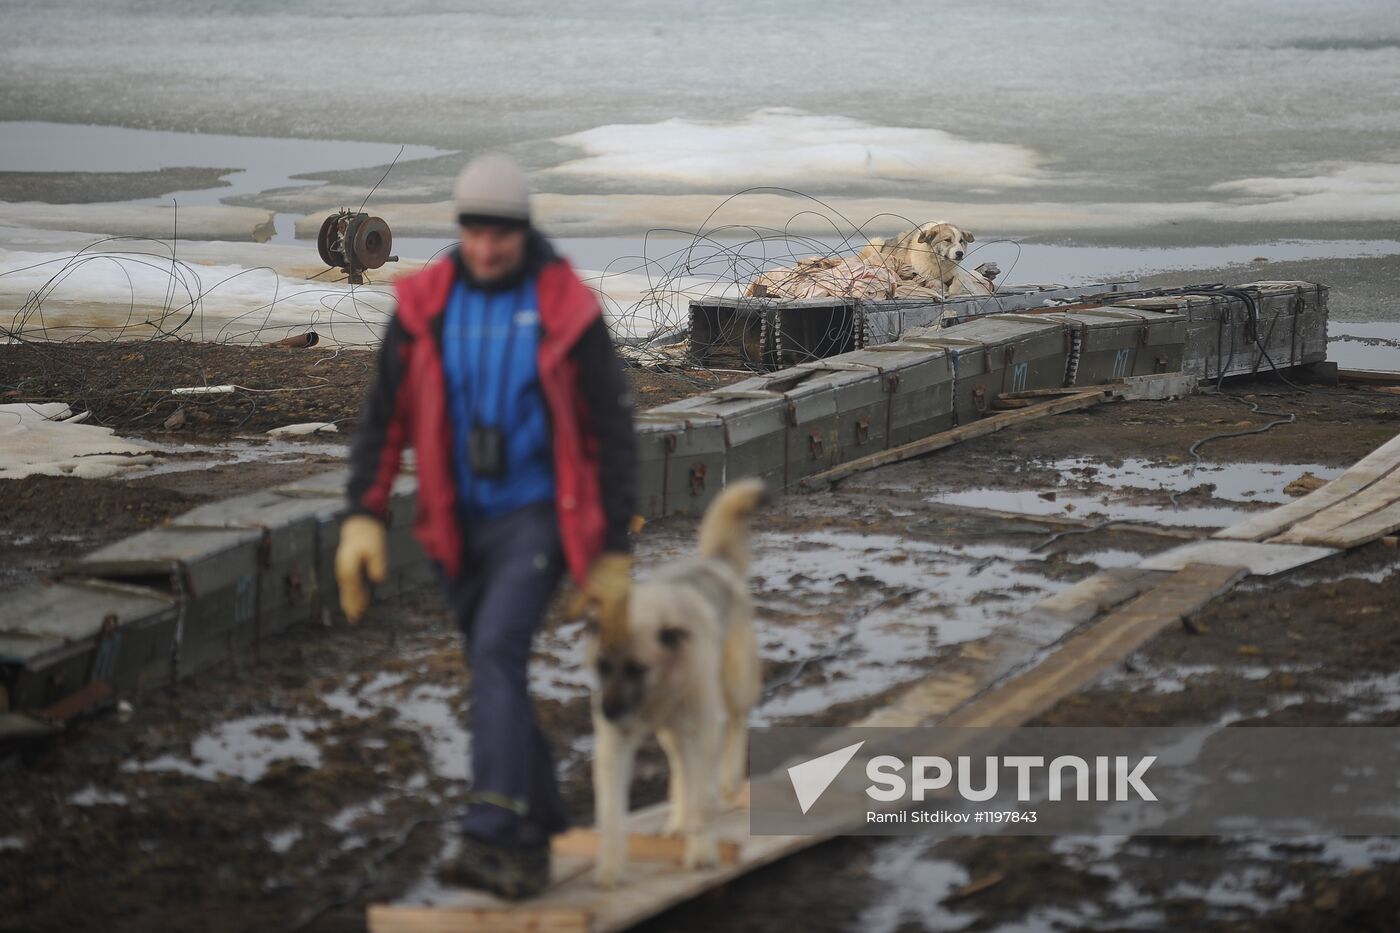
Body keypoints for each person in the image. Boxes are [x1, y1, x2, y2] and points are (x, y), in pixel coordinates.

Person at [335, 153, 637, 898]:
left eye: (502, 231)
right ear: (462, 228)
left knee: (499, 651)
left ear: (522, 230)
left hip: (537, 517)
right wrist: (362, 517)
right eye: (475, 229)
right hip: (454, 521)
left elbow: (611, 428)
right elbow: (384, 416)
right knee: (491, 663)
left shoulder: (566, 303)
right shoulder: (427, 302)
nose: (489, 244)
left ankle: (495, 829)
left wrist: (610, 553)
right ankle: (543, 817)